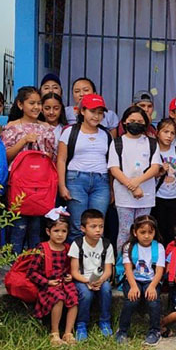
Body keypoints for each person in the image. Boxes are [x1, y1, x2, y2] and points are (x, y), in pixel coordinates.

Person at [1, 85, 57, 254]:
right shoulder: (12, 127)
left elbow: (53, 157)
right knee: (18, 227)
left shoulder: (47, 128)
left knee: (36, 228)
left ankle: (33, 268)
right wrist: (23, 140)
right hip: (19, 185)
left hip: (40, 185)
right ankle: (15, 268)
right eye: (31, 103)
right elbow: (5, 157)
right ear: (20, 105)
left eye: (39, 103)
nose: (36, 107)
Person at [57, 94, 112, 242]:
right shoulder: (70, 132)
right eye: (93, 111)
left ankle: (95, 262)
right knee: (76, 225)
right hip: (76, 179)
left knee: (97, 226)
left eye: (100, 113)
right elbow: (61, 160)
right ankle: (76, 263)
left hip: (101, 182)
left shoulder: (106, 135)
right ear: (82, 111)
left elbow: (111, 163)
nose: (97, 116)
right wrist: (62, 186)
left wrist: (111, 188)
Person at [108, 106, 162, 253]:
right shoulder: (117, 143)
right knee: (125, 230)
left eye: (139, 121)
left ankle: (140, 264)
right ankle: (122, 266)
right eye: (132, 120)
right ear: (124, 122)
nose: (135, 123)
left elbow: (155, 167)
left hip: (146, 195)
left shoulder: (151, 143)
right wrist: (132, 186)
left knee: (144, 230)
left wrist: (137, 183)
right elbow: (114, 169)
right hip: (124, 196)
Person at [26, 214, 77, 346]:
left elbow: (71, 267)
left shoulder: (67, 248)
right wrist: (47, 282)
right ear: (48, 232)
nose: (60, 235)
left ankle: (68, 332)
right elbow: (31, 272)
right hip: (48, 285)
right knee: (58, 297)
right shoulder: (41, 249)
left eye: (64, 231)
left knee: (73, 296)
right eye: (56, 231)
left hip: (63, 283)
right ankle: (55, 333)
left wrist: (70, 276)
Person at [114, 215, 166, 345]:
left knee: (153, 302)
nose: (147, 236)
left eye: (150, 232)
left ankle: (155, 331)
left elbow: (159, 270)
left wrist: (153, 286)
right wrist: (133, 286)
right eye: (143, 232)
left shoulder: (159, 247)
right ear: (134, 232)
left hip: (151, 280)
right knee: (132, 300)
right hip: (133, 279)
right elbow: (128, 269)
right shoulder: (129, 247)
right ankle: (122, 330)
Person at [69, 208, 115, 341]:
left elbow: (108, 271)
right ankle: (81, 324)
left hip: (100, 279)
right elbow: (74, 271)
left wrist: (100, 281)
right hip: (82, 279)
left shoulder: (106, 245)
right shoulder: (77, 244)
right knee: (86, 294)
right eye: (93, 226)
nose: (98, 230)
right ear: (83, 228)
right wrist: (87, 281)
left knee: (106, 289)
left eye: (101, 226)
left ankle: (105, 321)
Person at [152, 118, 176, 245]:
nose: (169, 136)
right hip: (157, 196)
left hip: (175, 196)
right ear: (157, 133)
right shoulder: (152, 150)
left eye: (172, 133)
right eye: (165, 132)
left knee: (173, 230)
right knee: (159, 228)